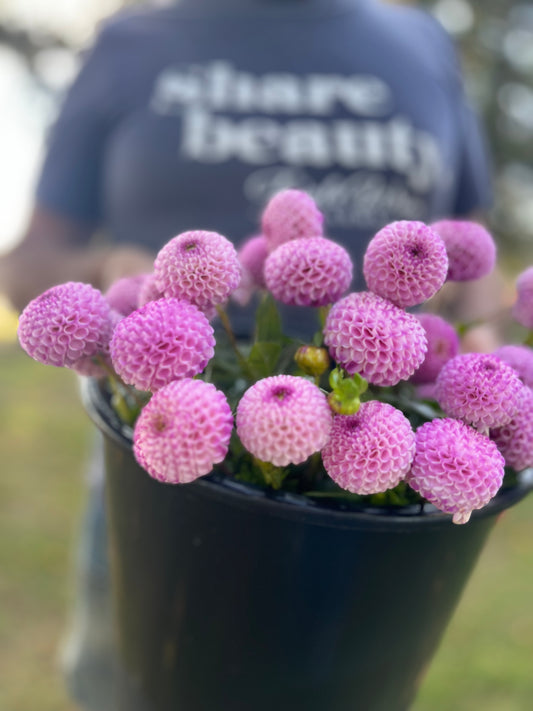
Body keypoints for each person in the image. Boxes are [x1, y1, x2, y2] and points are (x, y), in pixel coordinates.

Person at [0, 1, 493, 709]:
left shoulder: (421, 43)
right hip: (161, 463)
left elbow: (464, 261)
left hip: (384, 479)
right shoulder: (132, 40)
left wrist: (483, 387)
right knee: (136, 688)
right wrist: (109, 266)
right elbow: (27, 262)